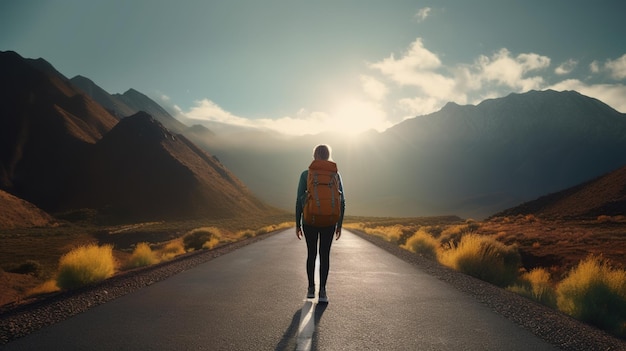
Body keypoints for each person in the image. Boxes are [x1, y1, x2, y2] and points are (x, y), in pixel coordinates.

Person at [295, 144, 345, 303]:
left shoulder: (306, 174)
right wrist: (339, 224)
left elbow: (298, 201)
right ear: (329, 155)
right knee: (325, 255)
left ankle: (311, 289)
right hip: (329, 221)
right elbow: (342, 201)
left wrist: (297, 223)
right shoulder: (335, 175)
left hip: (310, 220)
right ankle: (322, 291)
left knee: (311, 254)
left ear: (314, 155)